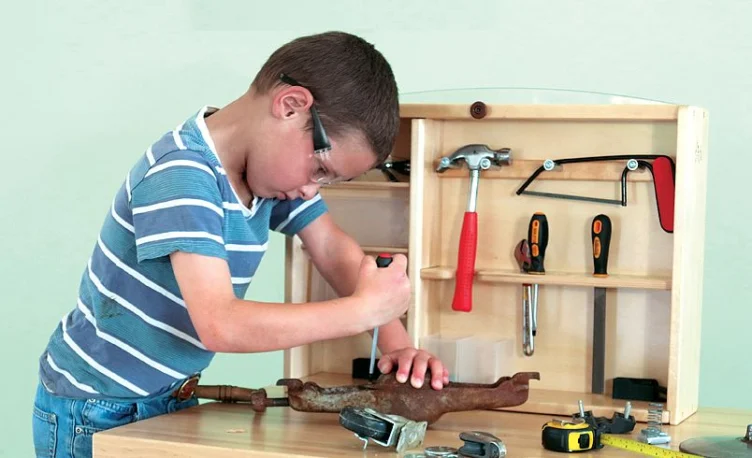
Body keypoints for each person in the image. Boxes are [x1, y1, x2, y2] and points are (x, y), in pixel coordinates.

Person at [31, 31, 449, 457]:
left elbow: (330, 248)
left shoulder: (267, 180)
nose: (311, 191)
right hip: (95, 407)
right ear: (290, 106)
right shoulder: (183, 175)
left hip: (168, 396)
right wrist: (362, 311)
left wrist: (399, 348)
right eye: (320, 170)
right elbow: (220, 324)